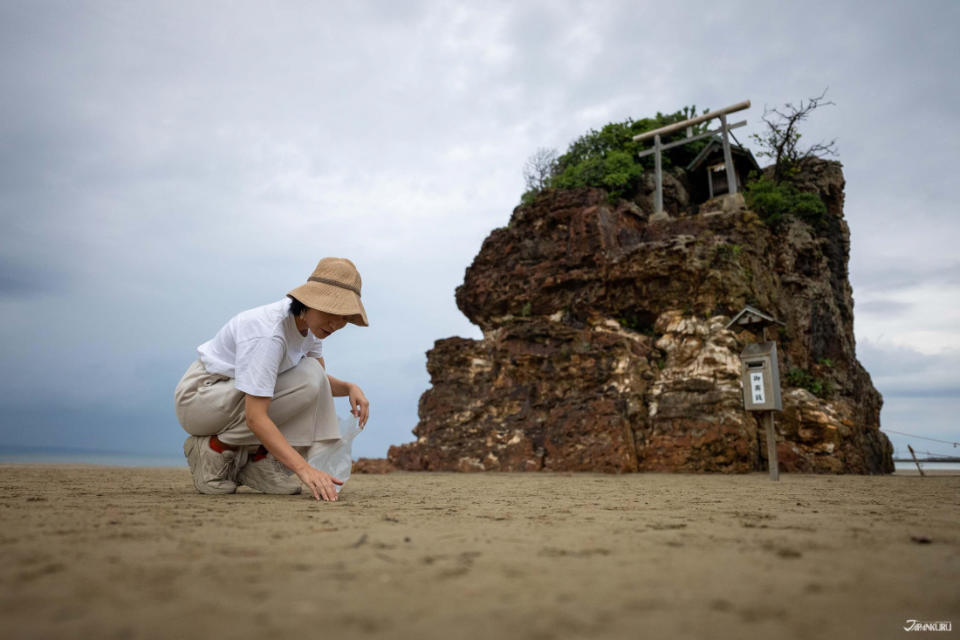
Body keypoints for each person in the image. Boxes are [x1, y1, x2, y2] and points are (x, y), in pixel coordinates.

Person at [174, 257, 370, 502]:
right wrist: (304, 469)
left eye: (345, 317)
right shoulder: (268, 334)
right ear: (308, 302)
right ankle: (215, 448)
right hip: (201, 398)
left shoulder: (310, 330)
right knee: (306, 380)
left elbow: (316, 382)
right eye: (332, 311)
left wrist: (350, 387)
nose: (337, 323)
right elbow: (256, 416)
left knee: (312, 377)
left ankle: (261, 464)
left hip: (231, 397)